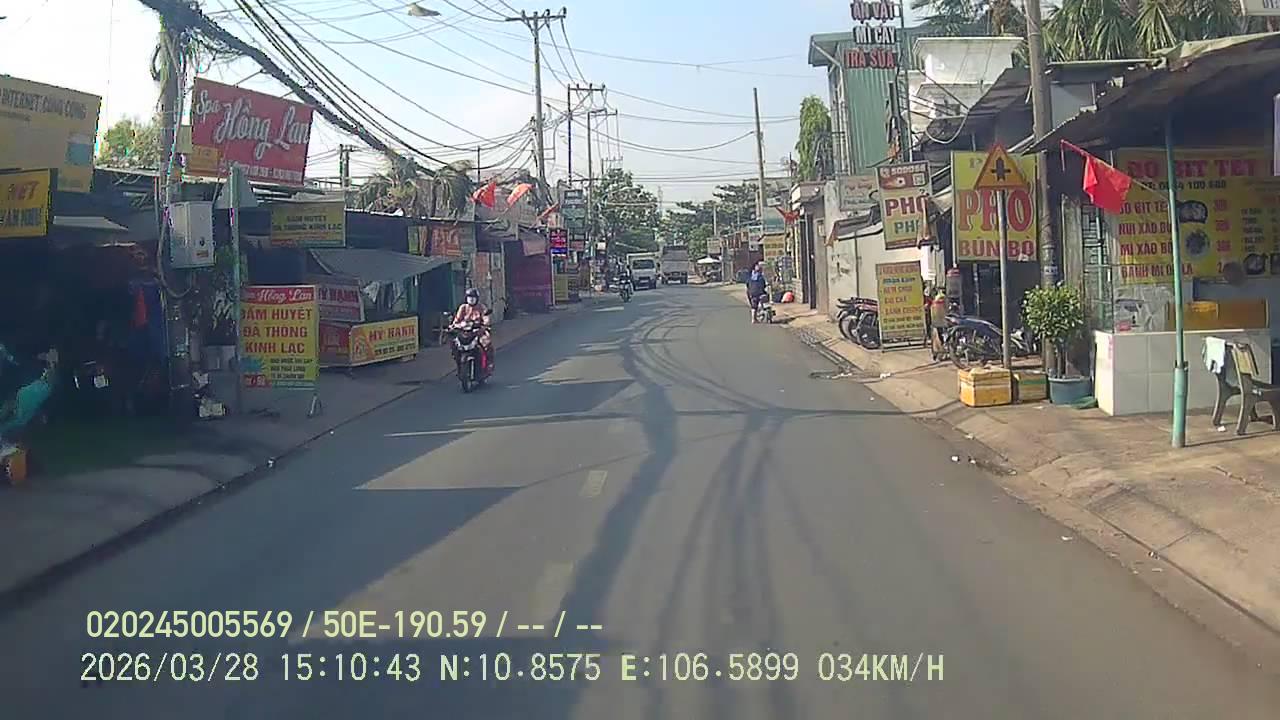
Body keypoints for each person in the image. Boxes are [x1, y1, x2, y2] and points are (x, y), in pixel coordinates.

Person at [452, 288, 493, 368]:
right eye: (469, 297)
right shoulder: (463, 307)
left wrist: (484, 324)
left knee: (487, 344)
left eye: (473, 297)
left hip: (478, 332)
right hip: (465, 333)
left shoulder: (481, 307)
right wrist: (454, 326)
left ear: (477, 298)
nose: (471, 299)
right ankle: (459, 363)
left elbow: (486, 318)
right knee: (454, 344)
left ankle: (489, 364)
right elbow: (456, 320)